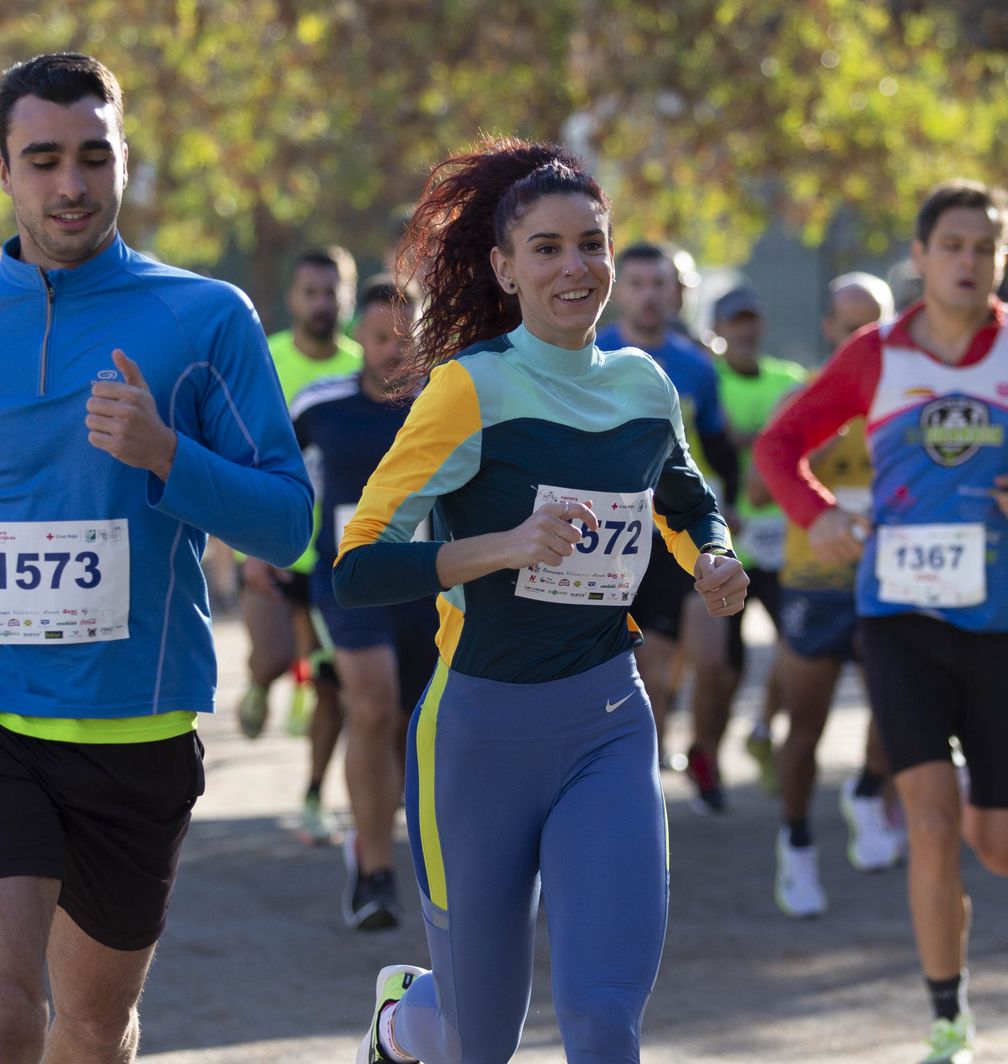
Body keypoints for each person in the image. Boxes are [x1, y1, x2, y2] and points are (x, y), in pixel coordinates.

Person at [0, 53, 311, 1063]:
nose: (70, 184)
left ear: (123, 162)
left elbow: (287, 522)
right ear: (4, 171)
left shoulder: (205, 315)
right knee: (2, 1008)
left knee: (94, 1025)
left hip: (134, 726)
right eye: (43, 158)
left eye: (93, 157)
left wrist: (167, 456)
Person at [337, 137, 746, 1064]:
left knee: (605, 1022)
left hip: (606, 721)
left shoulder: (645, 385)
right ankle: (404, 1022)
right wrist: (500, 548)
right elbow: (359, 566)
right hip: (477, 735)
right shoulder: (470, 389)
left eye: (592, 244)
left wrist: (714, 559)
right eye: (549, 248)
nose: (577, 268)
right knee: (480, 1042)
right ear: (504, 267)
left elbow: (684, 500)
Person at [756, 180, 1008, 1063]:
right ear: (923, 257)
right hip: (900, 619)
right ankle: (948, 1021)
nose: (970, 262)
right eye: (954, 246)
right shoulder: (877, 355)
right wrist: (818, 512)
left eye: (986, 246)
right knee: (930, 823)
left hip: (1002, 628)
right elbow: (778, 445)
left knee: (994, 838)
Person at [753, 272, 903, 918]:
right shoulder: (805, 396)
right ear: (829, 330)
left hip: (890, 575)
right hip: (815, 581)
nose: (858, 338)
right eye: (847, 326)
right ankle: (798, 839)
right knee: (806, 725)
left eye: (870, 324)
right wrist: (826, 463)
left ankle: (869, 790)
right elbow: (762, 488)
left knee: (902, 703)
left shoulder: (907, 393)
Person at [294, 277, 439, 931]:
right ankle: (376, 875)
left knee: (424, 728)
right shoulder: (319, 405)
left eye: (405, 341)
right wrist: (270, 562)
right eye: (380, 338)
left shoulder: (446, 400)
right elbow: (272, 473)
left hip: (430, 583)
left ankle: (416, 857)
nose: (392, 352)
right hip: (348, 580)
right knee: (373, 704)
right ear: (358, 336)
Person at [599, 243, 740, 808]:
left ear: (674, 292)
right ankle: (646, 788)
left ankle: (704, 752)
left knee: (713, 659)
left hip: (683, 527)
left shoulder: (696, 367)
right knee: (651, 675)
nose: (649, 295)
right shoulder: (594, 352)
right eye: (636, 284)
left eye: (659, 284)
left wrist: (729, 511)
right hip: (624, 537)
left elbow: (718, 450)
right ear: (617, 290)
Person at [239, 246, 357, 845]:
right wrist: (243, 545)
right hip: (271, 545)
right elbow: (240, 455)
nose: (321, 303)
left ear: (348, 296)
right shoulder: (267, 360)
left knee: (335, 681)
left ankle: (314, 794)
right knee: (276, 655)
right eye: (309, 292)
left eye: (331, 292)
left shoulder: (363, 370)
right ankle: (261, 683)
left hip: (339, 557)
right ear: (292, 299)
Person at [708, 286, 805, 793]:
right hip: (724, 546)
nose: (744, 331)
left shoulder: (789, 380)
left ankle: (763, 730)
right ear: (719, 330)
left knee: (796, 651)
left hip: (780, 544)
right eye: (734, 322)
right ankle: (713, 761)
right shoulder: (709, 382)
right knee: (724, 669)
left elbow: (810, 440)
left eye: (751, 321)